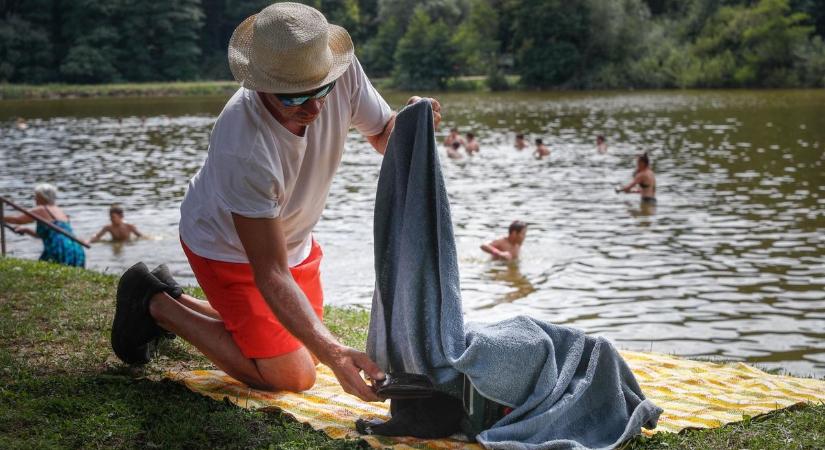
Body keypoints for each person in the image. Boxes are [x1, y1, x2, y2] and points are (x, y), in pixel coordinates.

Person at [110, 3, 442, 402]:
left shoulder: (339, 71)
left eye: (322, 90)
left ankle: (170, 295)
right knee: (295, 374)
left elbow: (382, 136)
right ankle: (156, 303)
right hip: (228, 249)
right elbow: (268, 272)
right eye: (296, 97)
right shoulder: (244, 143)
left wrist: (412, 124)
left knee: (307, 347)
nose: (316, 107)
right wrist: (334, 351)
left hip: (294, 239)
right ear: (260, 83)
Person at [4, 183, 85, 267]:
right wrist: (26, 230)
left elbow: (18, 220)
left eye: (36, 196)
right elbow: (51, 235)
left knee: (45, 276)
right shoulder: (59, 211)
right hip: (76, 249)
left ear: (42, 196)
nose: (35, 199)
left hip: (59, 248)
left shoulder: (41, 209)